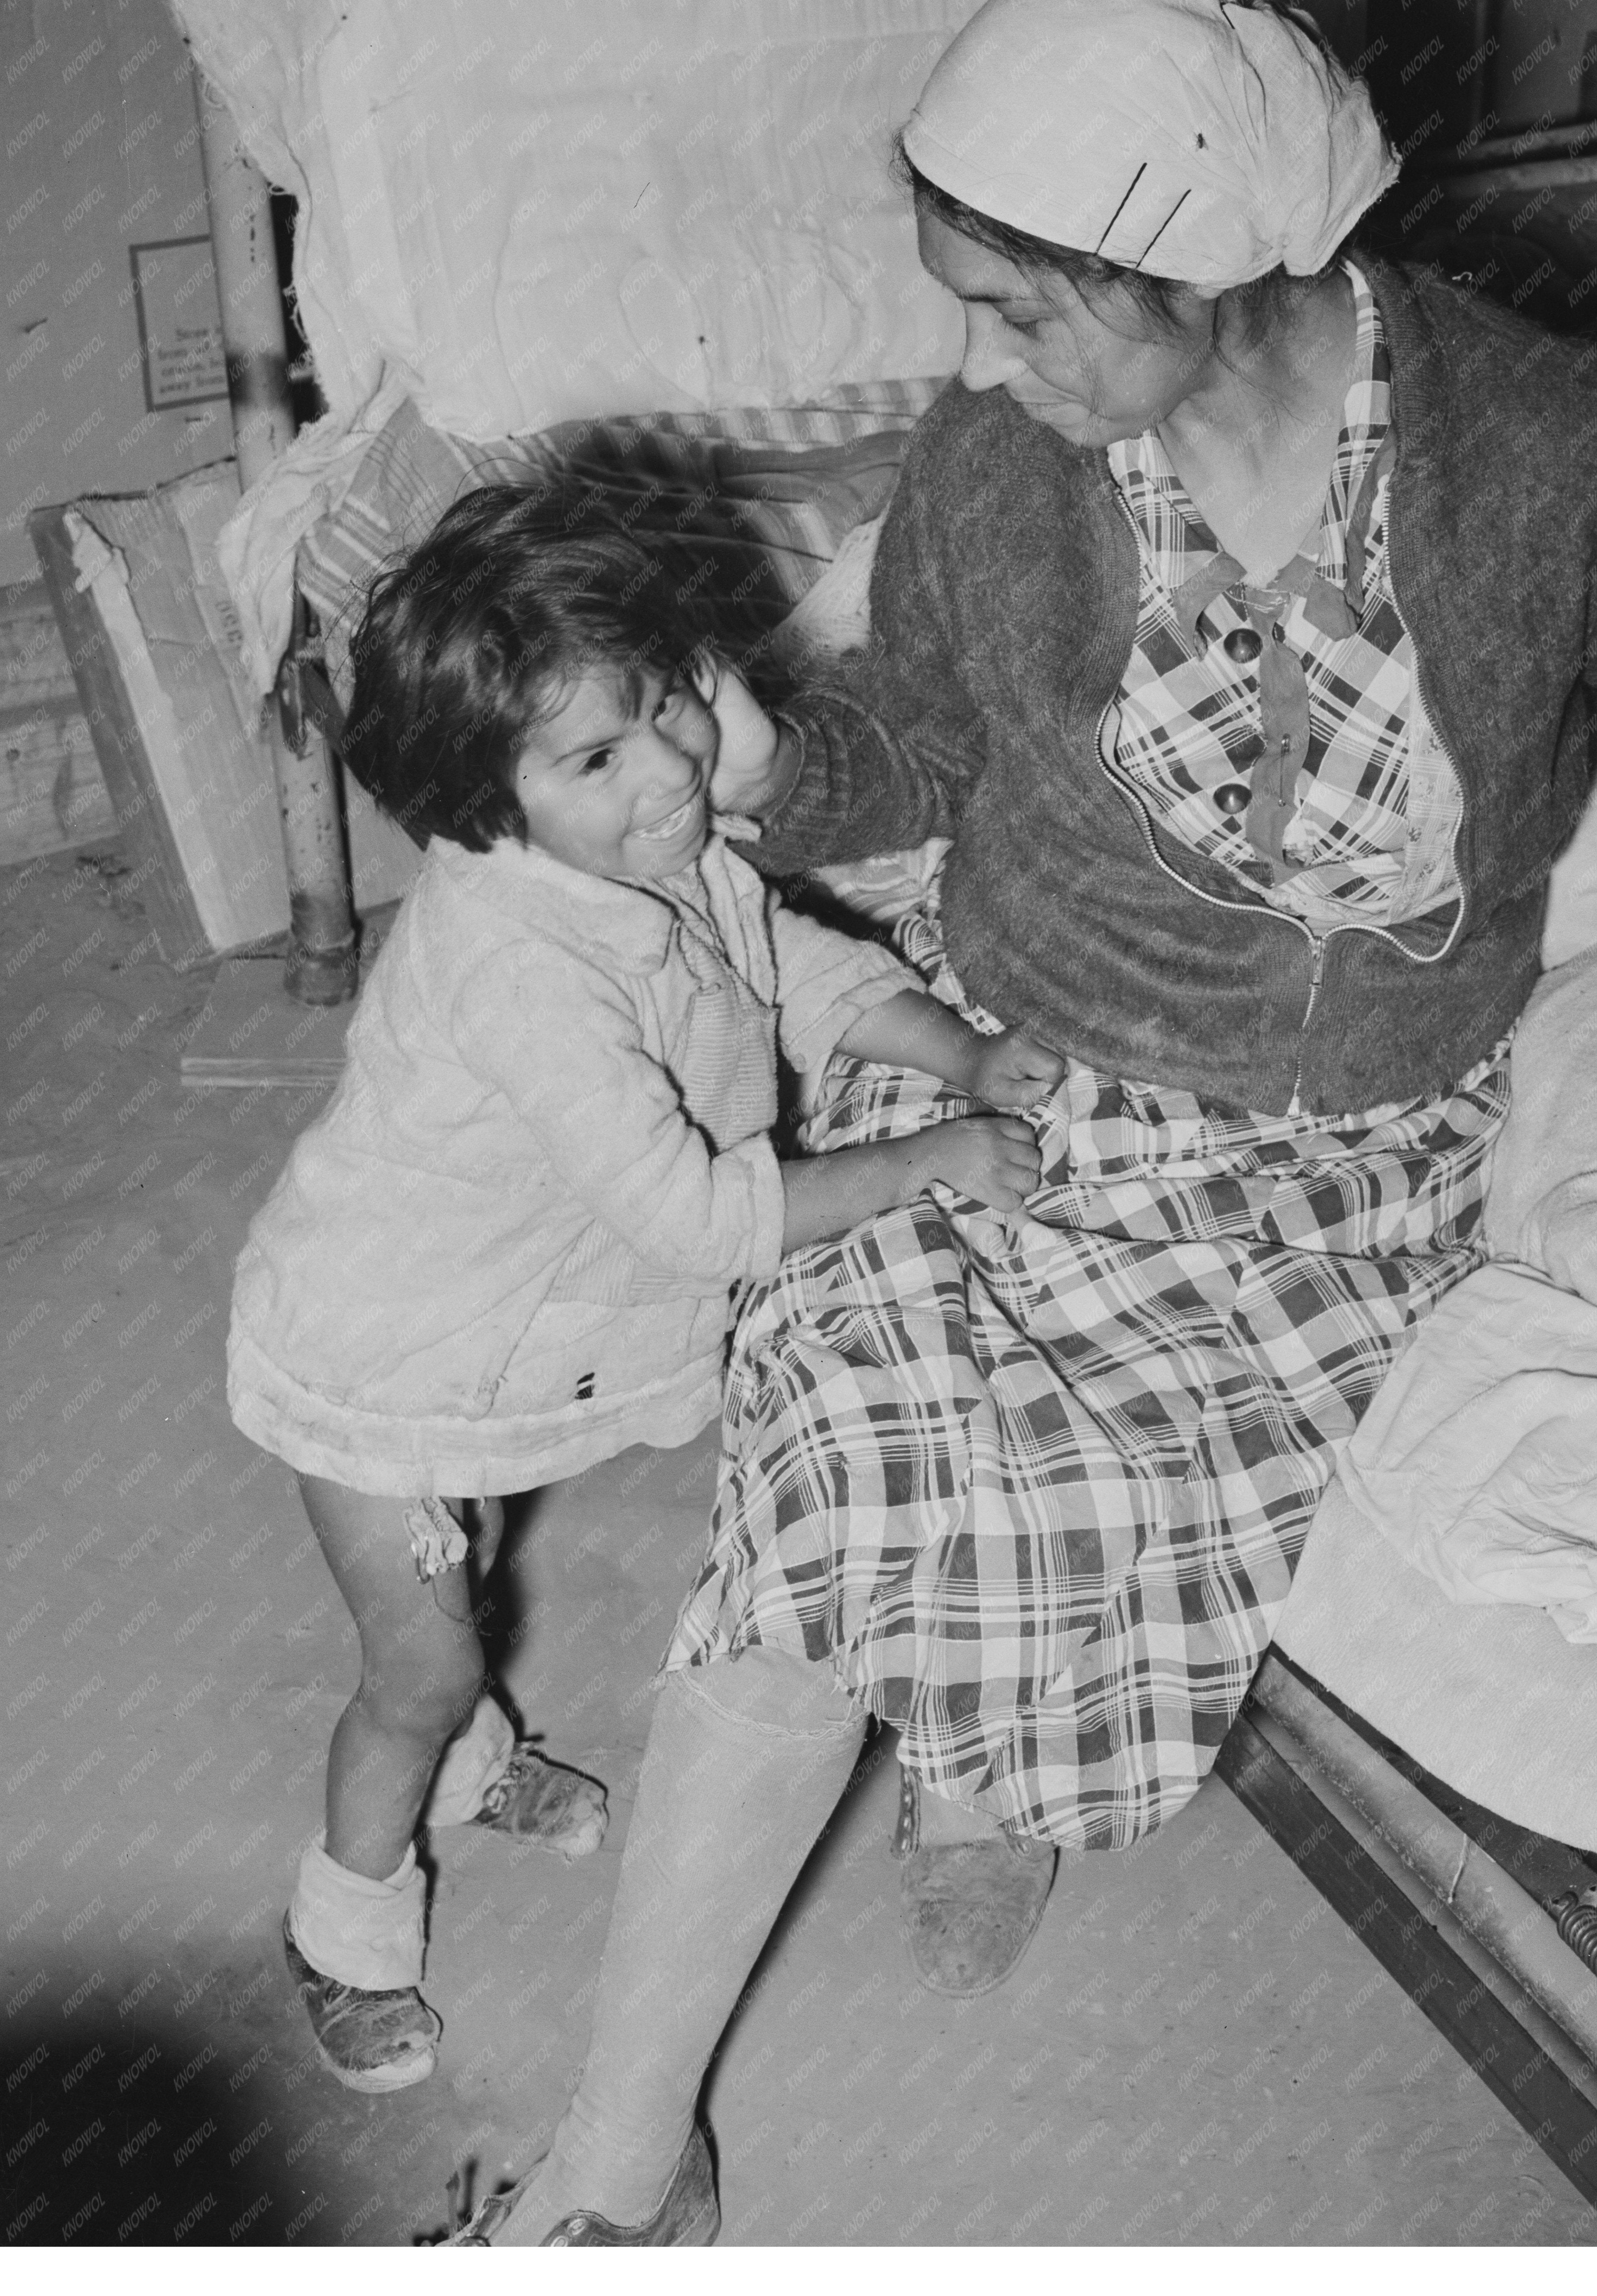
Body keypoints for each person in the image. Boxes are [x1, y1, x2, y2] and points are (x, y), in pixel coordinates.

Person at [459, 0, 1597, 2244]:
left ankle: (975, 1776)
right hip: (1019, 1057)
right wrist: (763, 766)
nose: (970, 366)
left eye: (1017, 305)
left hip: (1333, 1150)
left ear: (1201, 257)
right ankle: (624, 2161)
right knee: (821, 1485)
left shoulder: (1532, 457)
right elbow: (903, 748)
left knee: (1003, 1479)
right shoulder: (1006, 474)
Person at [226, 483, 1061, 2103]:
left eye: (670, 706)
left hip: (501, 1338)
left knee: (458, 1593)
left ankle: (468, 1771)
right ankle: (345, 1922)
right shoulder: (519, 965)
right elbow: (695, 1214)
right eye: (598, 758)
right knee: (418, 1666)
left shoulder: (661, 847)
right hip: (380, 1366)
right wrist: (923, 1159)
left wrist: (950, 1049)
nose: (675, 770)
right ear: (482, 803)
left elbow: (785, 963)